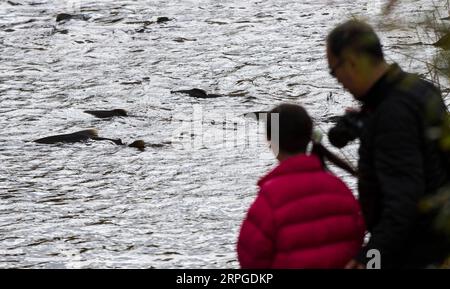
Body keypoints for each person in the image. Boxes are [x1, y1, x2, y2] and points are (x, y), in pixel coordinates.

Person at [326, 19, 450, 268]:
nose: (337, 79)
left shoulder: (391, 115)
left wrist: (370, 258)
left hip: (416, 252)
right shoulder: (419, 88)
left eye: (334, 69)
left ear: (352, 61)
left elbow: (403, 202)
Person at [237, 103, 365, 268]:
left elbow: (250, 258)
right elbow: (358, 239)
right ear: (308, 137)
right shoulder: (341, 189)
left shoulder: (269, 200)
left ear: (271, 141)